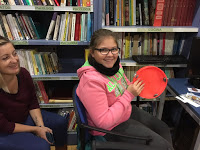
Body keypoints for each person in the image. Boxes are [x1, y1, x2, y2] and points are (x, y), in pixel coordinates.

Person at [76, 29, 174, 150]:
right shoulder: (91, 81)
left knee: (163, 128)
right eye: (103, 50)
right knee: (163, 146)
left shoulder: (114, 65)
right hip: (109, 128)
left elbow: (124, 84)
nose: (110, 55)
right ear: (92, 52)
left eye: (114, 49)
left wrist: (134, 86)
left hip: (124, 111)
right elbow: (103, 122)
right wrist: (129, 94)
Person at [0, 36, 68, 150]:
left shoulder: (23, 74)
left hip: (24, 117)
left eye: (14, 54)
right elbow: (4, 125)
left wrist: (41, 127)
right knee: (42, 146)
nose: (14, 60)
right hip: (4, 130)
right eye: (5, 58)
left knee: (60, 123)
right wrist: (36, 130)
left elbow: (32, 102)